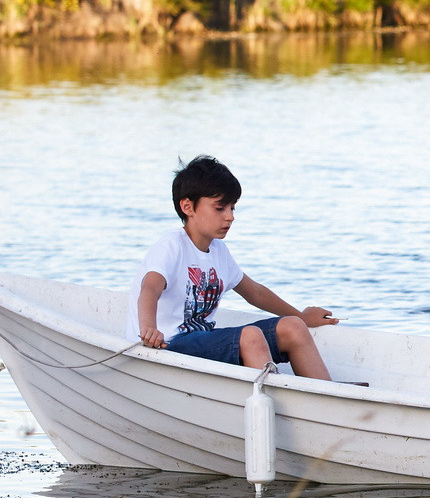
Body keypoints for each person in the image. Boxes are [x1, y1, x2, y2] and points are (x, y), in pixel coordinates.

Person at [134, 155, 339, 380]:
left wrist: (301, 316)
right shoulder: (172, 246)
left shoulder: (219, 251)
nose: (230, 217)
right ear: (187, 206)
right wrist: (149, 328)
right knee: (250, 336)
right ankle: (271, 402)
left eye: (233, 208)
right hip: (168, 345)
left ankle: (329, 396)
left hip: (203, 340)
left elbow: (255, 293)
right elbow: (150, 288)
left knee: (293, 326)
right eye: (220, 208)